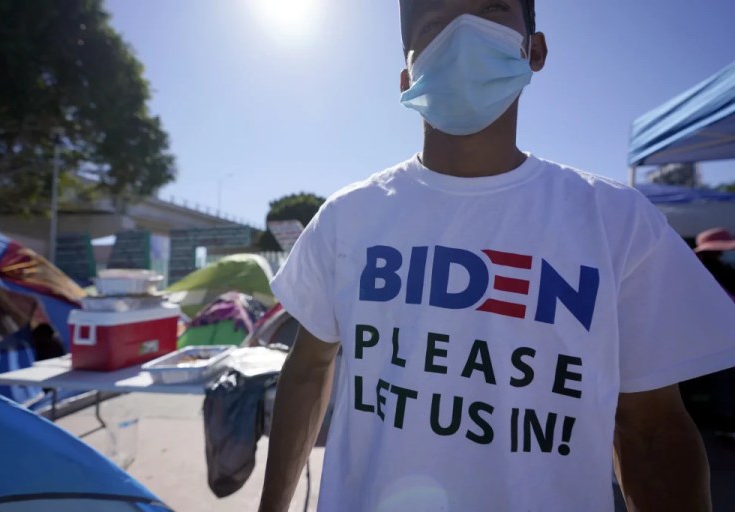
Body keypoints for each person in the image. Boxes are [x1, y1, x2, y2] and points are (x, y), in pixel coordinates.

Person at [259, 1, 735, 511]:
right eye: (434, 22)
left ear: (535, 50)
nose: (464, 32)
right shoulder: (346, 217)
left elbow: (650, 429)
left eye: (491, 9)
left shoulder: (618, 223)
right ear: (406, 77)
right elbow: (307, 370)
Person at [694, 228, 735, 441]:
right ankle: (725, 423)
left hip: (719, 336)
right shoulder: (710, 273)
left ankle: (725, 422)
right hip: (719, 337)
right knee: (724, 381)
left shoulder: (711, 271)